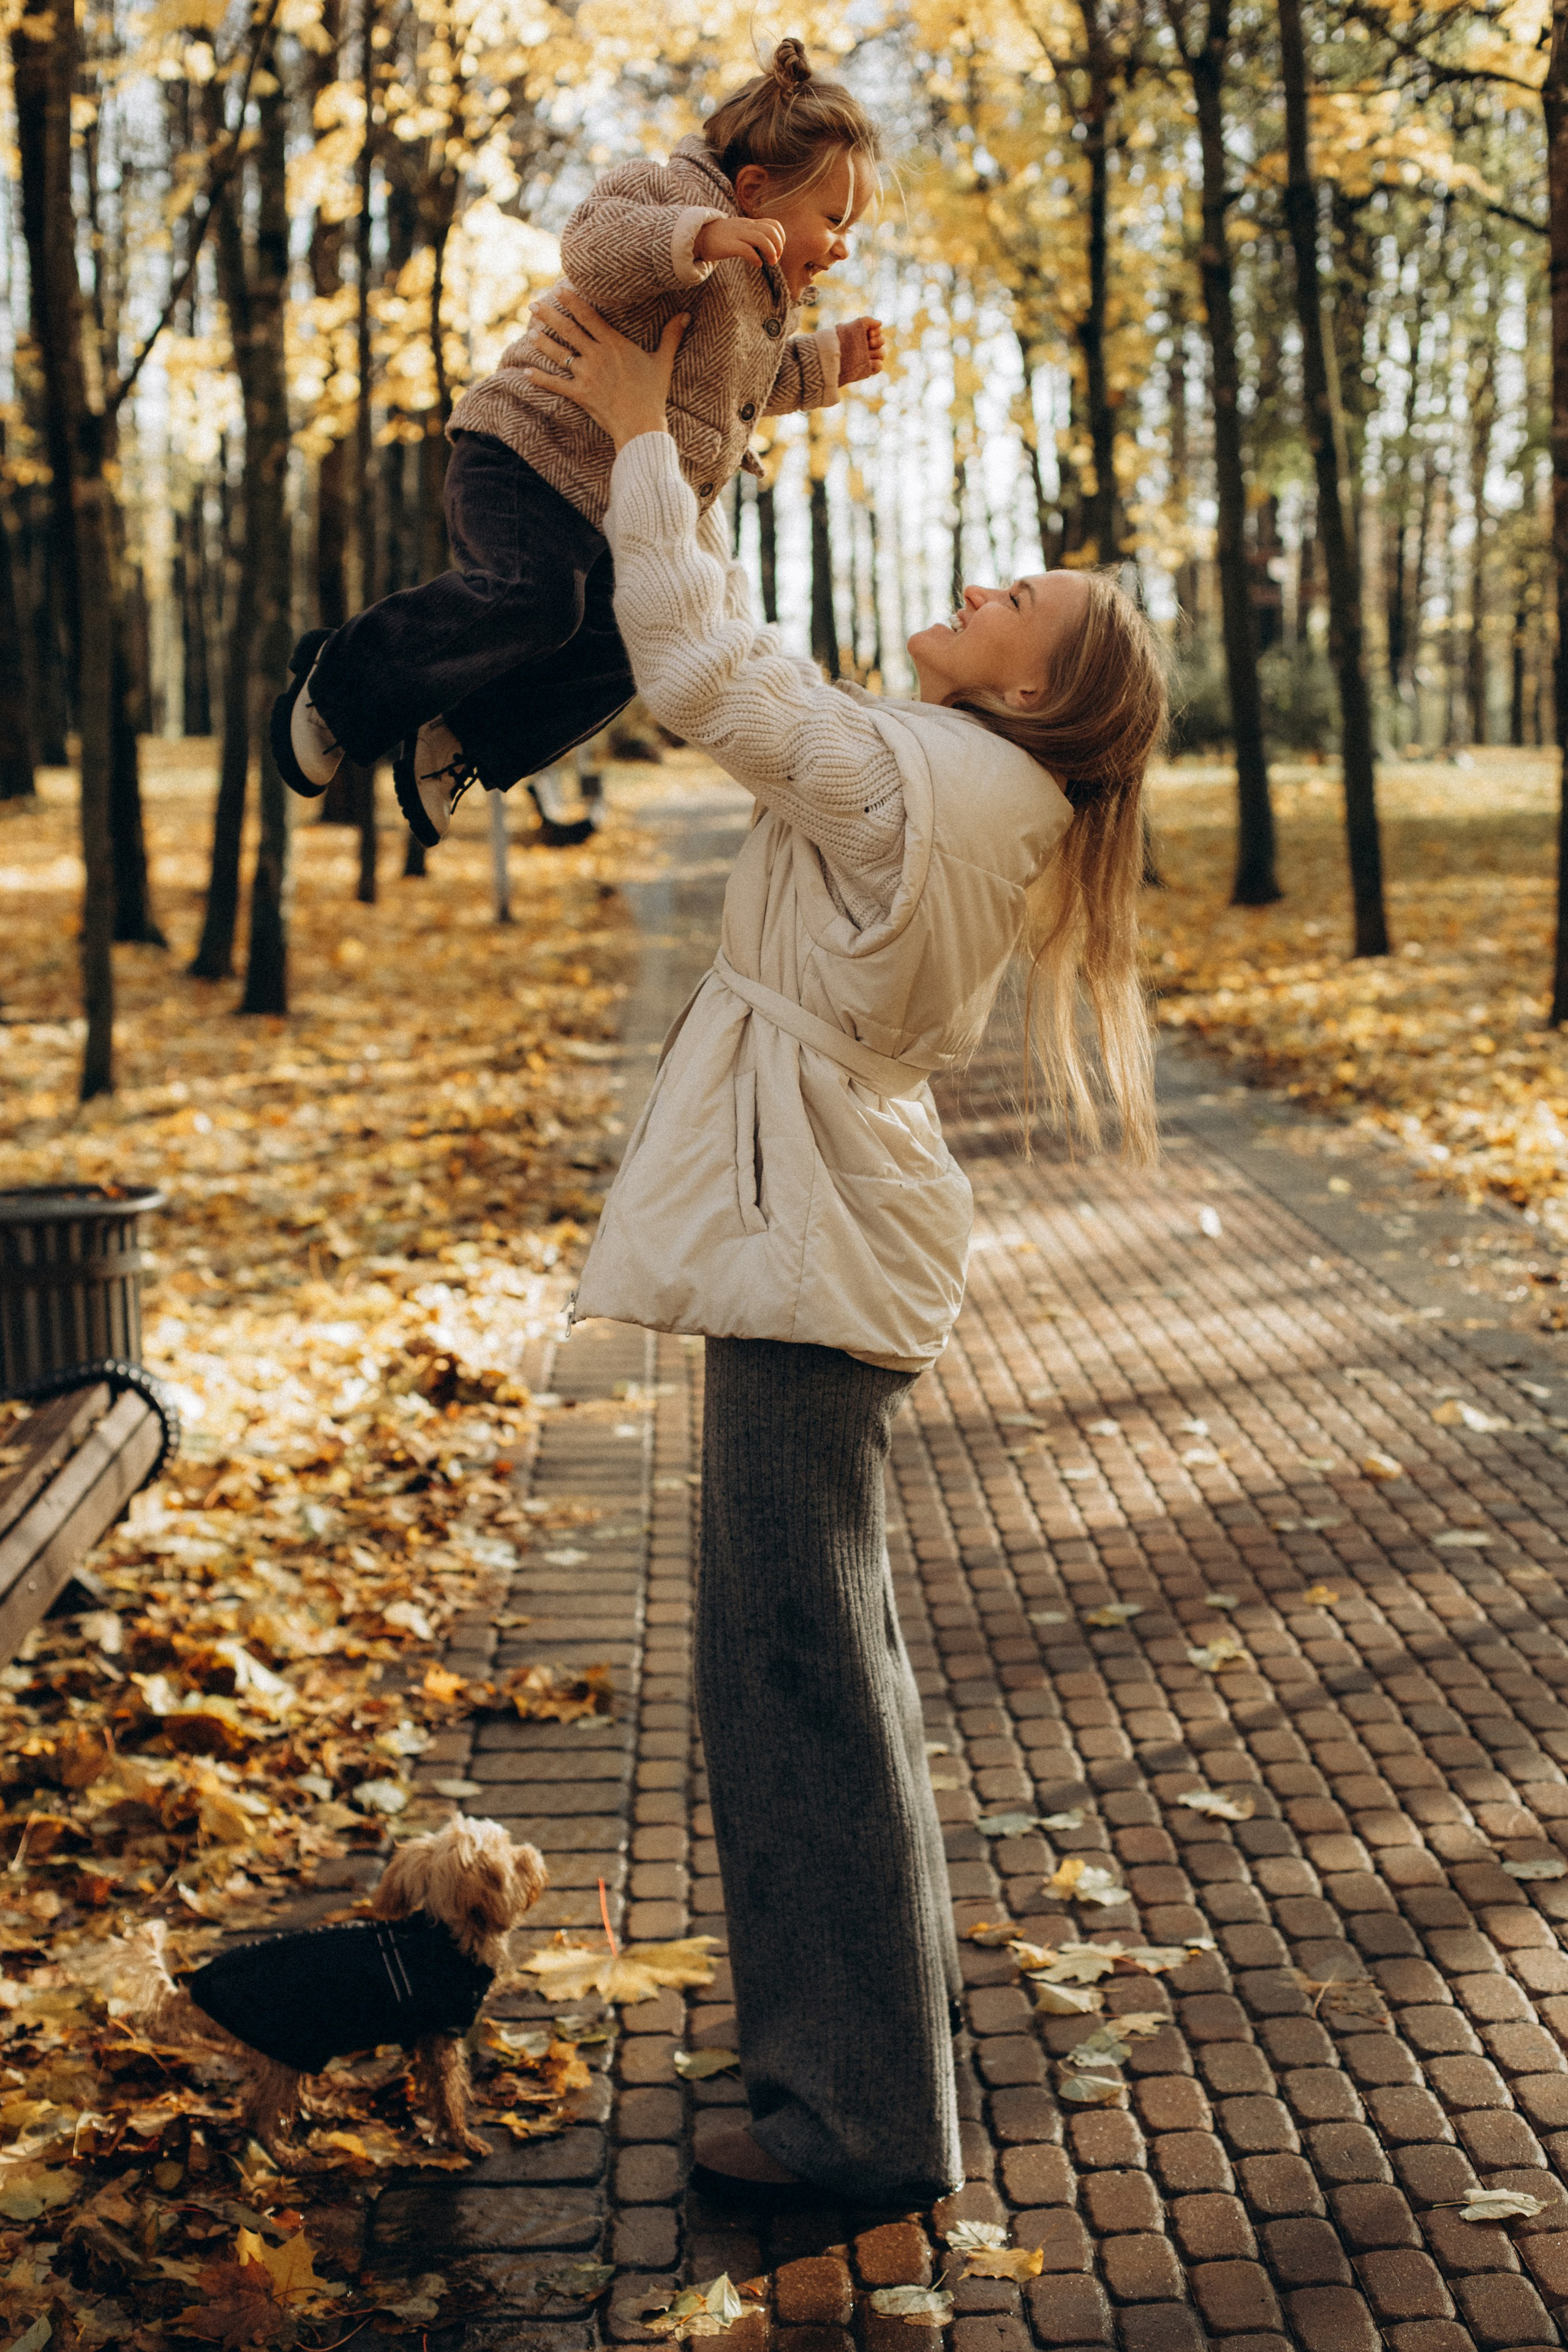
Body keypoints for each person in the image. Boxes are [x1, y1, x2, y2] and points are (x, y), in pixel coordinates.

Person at [530, 291, 1166, 2211]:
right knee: (818, 1660)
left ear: (1033, 695)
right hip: (818, 1223)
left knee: (793, 1670)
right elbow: (759, 675)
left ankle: (859, 2117)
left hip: (813, 1232)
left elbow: (708, 671)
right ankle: (845, 2065)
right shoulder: (971, 778)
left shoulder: (931, 780)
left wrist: (647, 432)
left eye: (1010, 608)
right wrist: (725, 407)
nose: (975, 592)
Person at [270, 39, 887, 851]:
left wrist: (825, 364)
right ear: (753, 190)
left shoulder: (770, 302)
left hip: (602, 512)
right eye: (834, 219)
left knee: (629, 646)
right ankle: (339, 687)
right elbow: (593, 247)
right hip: (529, 455)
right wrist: (700, 237)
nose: (842, 245)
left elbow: (730, 397)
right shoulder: (671, 192)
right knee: (533, 597)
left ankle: (464, 737)